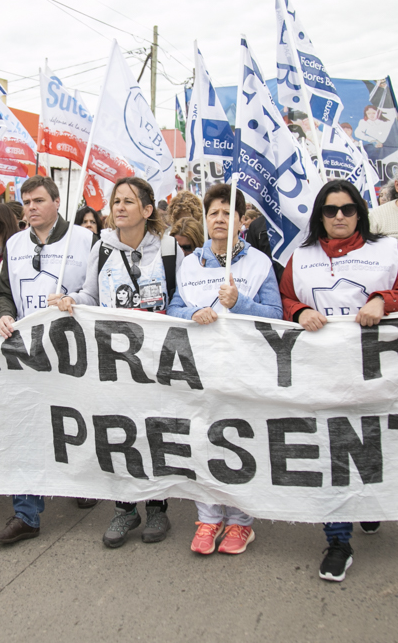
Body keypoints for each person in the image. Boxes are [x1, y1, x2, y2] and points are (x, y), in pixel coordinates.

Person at [278, 179, 398, 582]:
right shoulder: (301, 256)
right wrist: (298, 311)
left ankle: (370, 504)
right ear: (320, 216)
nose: (339, 216)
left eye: (347, 209)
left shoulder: (387, 250)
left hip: (377, 371)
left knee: (374, 444)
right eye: (330, 210)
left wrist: (384, 300)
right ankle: (338, 541)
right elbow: (284, 299)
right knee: (334, 452)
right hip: (323, 373)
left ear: (360, 213)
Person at [52, 176, 174, 547]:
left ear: (148, 210)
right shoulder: (102, 249)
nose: (119, 207)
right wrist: (72, 300)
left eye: (128, 201)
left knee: (154, 433)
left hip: (156, 363)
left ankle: (157, 507)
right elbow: (90, 294)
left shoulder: (169, 249)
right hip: (113, 362)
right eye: (116, 201)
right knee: (118, 432)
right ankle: (124, 508)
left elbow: (180, 301)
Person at [166, 184, 282, 556]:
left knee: (241, 442)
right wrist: (192, 313)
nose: (219, 218)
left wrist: (241, 302)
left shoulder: (259, 263)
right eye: (213, 212)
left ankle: (240, 522)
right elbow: (173, 310)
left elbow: (276, 316)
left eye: (227, 213)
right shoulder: (191, 264)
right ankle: (208, 517)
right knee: (203, 440)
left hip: (245, 368)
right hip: (201, 369)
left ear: (241, 221)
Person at [0, 175, 95, 543]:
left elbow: (96, 293)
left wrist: (74, 300)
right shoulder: (15, 243)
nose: (30, 208)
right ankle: (26, 514)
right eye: (26, 202)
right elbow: (5, 292)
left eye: (38, 200)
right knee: (24, 426)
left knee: (74, 423)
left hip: (73, 350)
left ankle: (82, 482)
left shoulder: (85, 240)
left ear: (56, 202)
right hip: (28, 350)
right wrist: (5, 314)